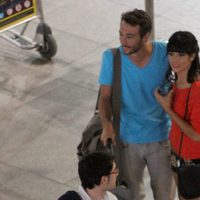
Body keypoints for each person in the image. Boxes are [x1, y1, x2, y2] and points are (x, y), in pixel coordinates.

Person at [98, 8, 174, 200]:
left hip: (161, 138)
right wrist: (107, 124)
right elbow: (105, 97)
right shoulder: (111, 58)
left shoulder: (165, 53)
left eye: (130, 36)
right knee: (130, 196)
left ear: (145, 36)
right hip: (126, 141)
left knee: (165, 195)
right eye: (121, 34)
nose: (123, 41)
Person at [154, 31, 200, 200]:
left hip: (194, 159)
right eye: (171, 54)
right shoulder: (174, 81)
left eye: (181, 55)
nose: (174, 60)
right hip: (176, 154)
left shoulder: (197, 89)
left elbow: (196, 135)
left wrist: (167, 109)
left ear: (192, 56)